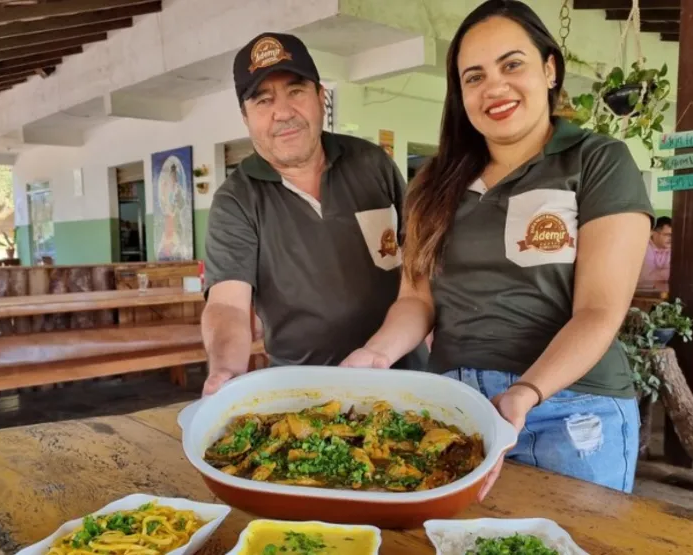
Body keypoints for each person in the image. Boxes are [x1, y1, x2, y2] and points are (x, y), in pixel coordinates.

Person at [341, 0, 654, 498]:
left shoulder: (597, 161)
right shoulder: (433, 184)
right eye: (474, 76)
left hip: (570, 412)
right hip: (456, 410)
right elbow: (416, 300)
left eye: (513, 65)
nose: (495, 87)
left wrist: (524, 394)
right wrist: (376, 355)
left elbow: (599, 310)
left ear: (549, 69)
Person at [201, 31, 426, 396]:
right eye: (263, 100)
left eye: (296, 91)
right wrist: (226, 369)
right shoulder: (237, 200)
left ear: (321, 97)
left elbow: (418, 264)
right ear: (246, 118)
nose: (283, 112)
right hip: (304, 394)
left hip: (405, 375)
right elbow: (228, 304)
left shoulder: (372, 163)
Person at [638, 216, 672, 291]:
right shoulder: (643, 248)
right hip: (643, 294)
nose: (671, 239)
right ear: (654, 233)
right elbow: (645, 278)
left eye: (673, 235)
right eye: (667, 235)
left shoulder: (674, 249)